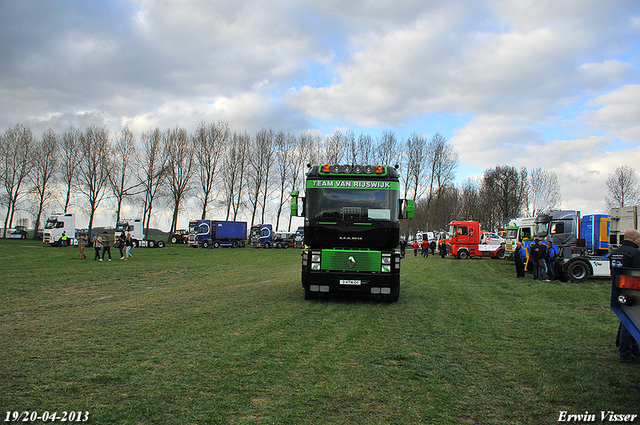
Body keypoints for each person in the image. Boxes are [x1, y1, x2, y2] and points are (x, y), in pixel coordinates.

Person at [610, 229, 640, 363]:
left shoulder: (615, 252)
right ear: (635, 239)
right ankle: (626, 353)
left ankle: (630, 348)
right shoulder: (635, 253)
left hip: (619, 289)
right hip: (633, 290)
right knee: (631, 321)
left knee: (626, 319)